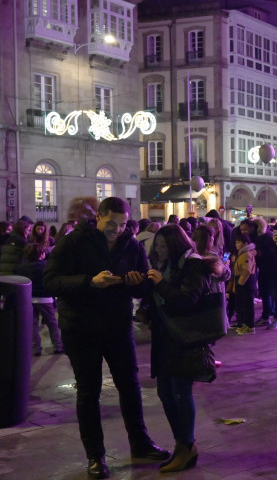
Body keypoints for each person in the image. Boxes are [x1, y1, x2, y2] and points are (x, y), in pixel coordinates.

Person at [44, 197, 169, 479]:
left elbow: (142, 289)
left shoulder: (132, 245)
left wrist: (139, 283)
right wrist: (90, 282)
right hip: (81, 327)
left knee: (130, 385)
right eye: (111, 223)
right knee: (89, 392)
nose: (116, 230)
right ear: (98, 217)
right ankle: (96, 456)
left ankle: (140, 442)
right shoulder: (74, 241)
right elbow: (50, 280)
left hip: (117, 325)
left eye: (123, 225)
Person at [146, 224, 220, 472]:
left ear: (176, 244)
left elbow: (188, 300)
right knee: (165, 392)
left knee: (179, 392)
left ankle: (187, 446)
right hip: (166, 338)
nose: (159, 250)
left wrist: (159, 284)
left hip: (185, 339)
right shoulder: (164, 266)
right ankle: (182, 445)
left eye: (163, 246)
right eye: (157, 246)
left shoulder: (192, 265)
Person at [15, 243, 64, 356]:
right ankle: (57, 345)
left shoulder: (21, 268)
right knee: (52, 323)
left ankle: (36, 348)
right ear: (41, 254)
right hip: (45, 299)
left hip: (29, 299)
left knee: (33, 324)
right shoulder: (46, 266)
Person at [230, 232, 258, 335]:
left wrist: (240, 284)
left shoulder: (246, 254)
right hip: (245, 283)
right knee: (244, 305)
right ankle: (245, 325)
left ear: (245, 243)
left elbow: (246, 271)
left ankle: (249, 326)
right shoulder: (243, 254)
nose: (236, 244)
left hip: (246, 284)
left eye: (238, 242)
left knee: (247, 306)